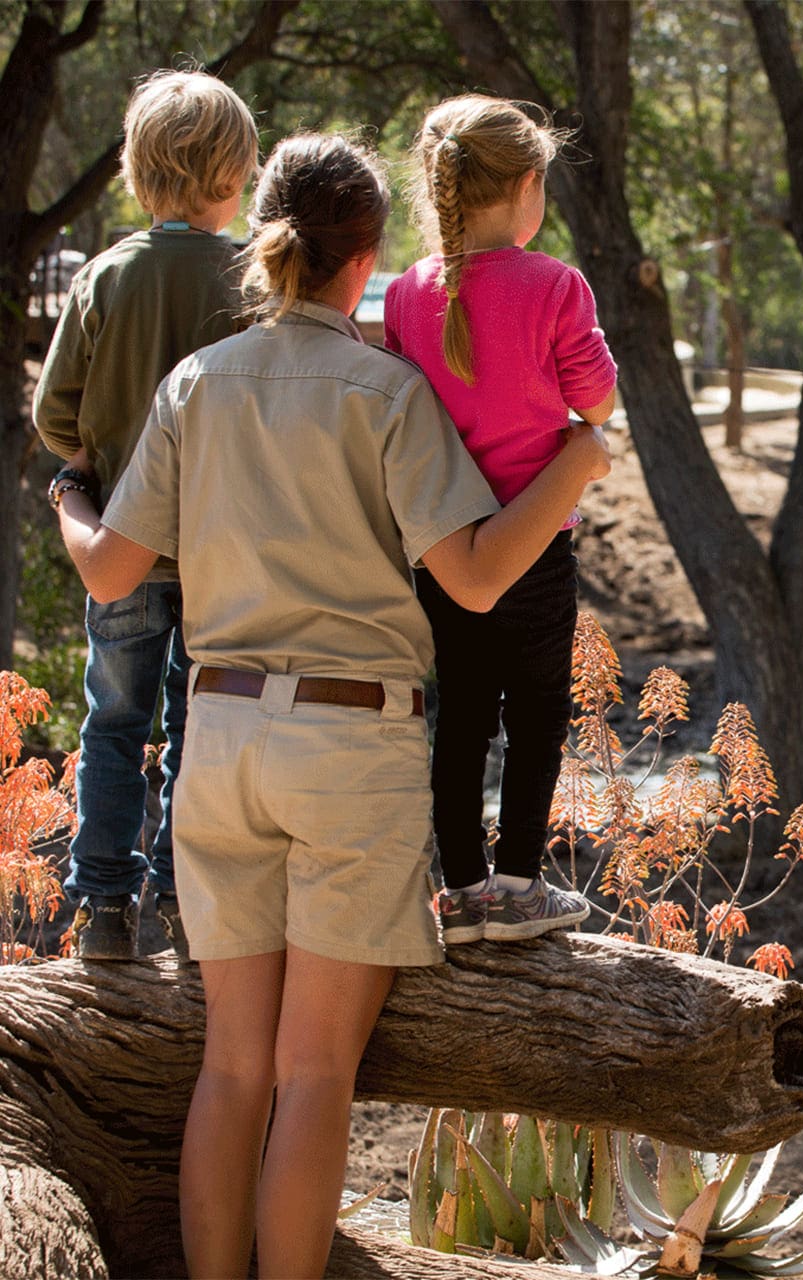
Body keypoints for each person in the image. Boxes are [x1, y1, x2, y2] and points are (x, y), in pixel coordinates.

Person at [53, 132, 612, 1278]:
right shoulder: (387, 392)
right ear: (367, 263)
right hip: (350, 744)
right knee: (315, 1074)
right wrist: (577, 460)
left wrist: (69, 497)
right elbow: (473, 576)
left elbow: (111, 571)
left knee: (233, 1068)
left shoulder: (195, 382)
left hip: (220, 743)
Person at [32, 70, 257, 960]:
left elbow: (57, 416)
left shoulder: (107, 274)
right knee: (200, 728)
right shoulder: (247, 277)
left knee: (113, 725)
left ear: (134, 171)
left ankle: (102, 912)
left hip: (122, 540)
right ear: (236, 178)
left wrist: (92, 454)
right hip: (219, 554)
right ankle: (179, 902)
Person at [383, 94, 618, 943]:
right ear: (526, 185)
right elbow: (596, 398)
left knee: (463, 715)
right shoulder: (556, 284)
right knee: (538, 716)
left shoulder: (409, 292)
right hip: (535, 543)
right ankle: (520, 886)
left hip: (443, 545)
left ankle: (461, 893)